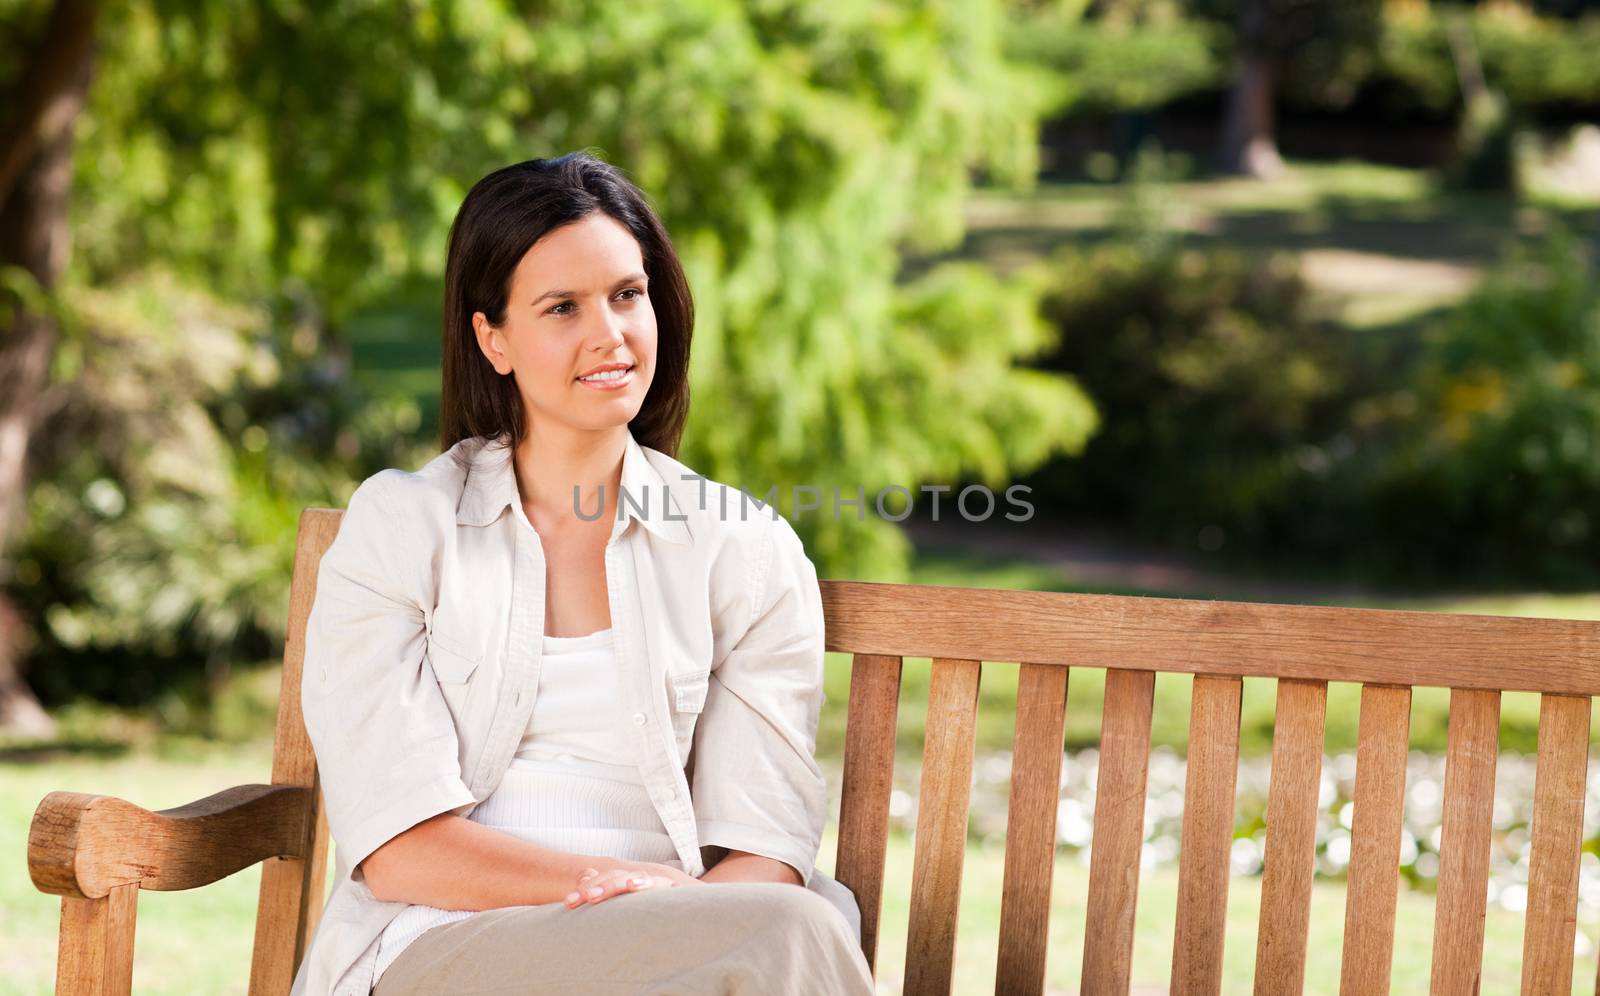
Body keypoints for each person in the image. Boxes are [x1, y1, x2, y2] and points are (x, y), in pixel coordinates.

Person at [288, 152, 875, 996]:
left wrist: (664, 912)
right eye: (562, 307)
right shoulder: (404, 528)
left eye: (627, 295)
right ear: (493, 337)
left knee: (791, 926)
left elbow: (765, 848)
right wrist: (616, 890)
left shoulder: (741, 547)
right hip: (447, 941)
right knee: (793, 935)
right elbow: (399, 847)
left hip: (684, 943)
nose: (610, 334)